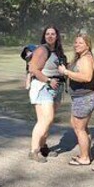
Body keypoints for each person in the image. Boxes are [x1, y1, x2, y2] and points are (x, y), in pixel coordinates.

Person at [27, 25, 67, 162]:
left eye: (53, 34)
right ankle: (33, 151)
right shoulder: (42, 50)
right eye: (47, 34)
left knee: (45, 121)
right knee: (47, 119)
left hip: (56, 88)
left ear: (57, 36)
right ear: (44, 36)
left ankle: (43, 146)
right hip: (43, 87)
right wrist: (49, 80)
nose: (50, 36)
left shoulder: (57, 51)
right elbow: (33, 69)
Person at [58, 31, 94, 166]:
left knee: (80, 128)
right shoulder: (81, 57)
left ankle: (85, 158)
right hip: (81, 97)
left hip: (85, 97)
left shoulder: (86, 58)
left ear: (88, 45)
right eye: (76, 42)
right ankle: (86, 154)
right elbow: (78, 71)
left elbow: (87, 77)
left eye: (81, 43)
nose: (77, 45)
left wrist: (66, 72)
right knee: (80, 127)